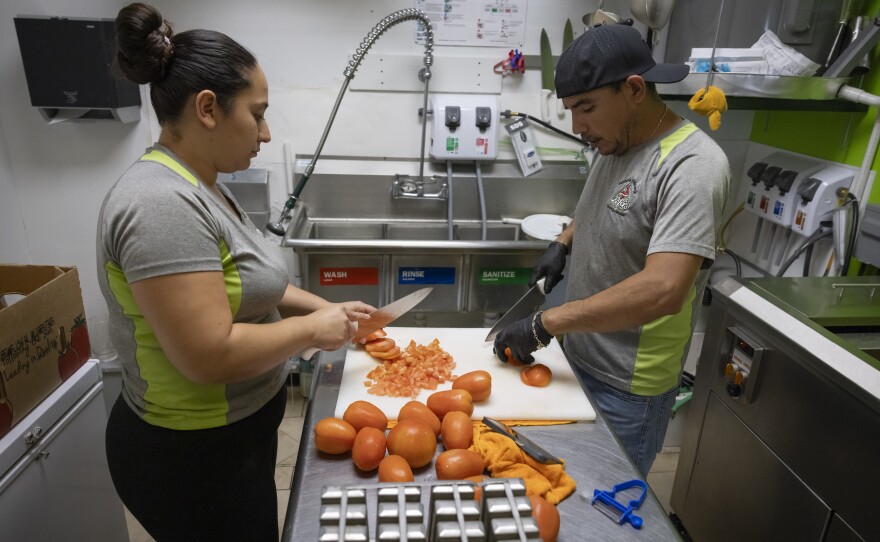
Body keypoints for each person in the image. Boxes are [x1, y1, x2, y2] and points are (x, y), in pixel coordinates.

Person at [97, 4, 374, 540]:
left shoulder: (205, 185)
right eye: (258, 113)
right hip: (189, 456)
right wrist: (316, 331)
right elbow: (206, 355)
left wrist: (331, 309)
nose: (266, 133)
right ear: (207, 109)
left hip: (234, 438)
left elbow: (254, 285)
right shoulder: (160, 204)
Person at [494, 23, 730, 477]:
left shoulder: (692, 166)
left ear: (634, 89)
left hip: (627, 389)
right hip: (578, 362)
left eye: (586, 108)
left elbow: (665, 289)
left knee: (606, 511)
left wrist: (546, 323)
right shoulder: (615, 141)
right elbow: (603, 206)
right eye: (570, 110)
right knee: (562, 493)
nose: (578, 127)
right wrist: (563, 243)